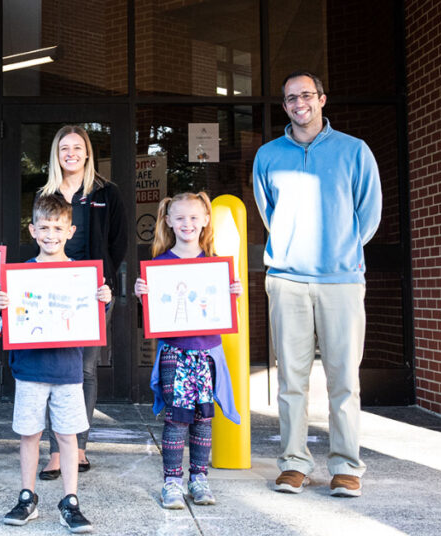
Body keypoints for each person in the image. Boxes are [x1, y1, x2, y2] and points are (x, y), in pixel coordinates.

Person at [252, 71, 382, 498]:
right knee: (290, 379)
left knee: (344, 378)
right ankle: (293, 464)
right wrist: (294, 248)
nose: (298, 103)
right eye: (290, 98)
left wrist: (339, 250)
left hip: (340, 281)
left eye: (306, 95)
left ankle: (346, 466)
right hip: (287, 280)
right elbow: (268, 213)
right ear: (285, 105)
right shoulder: (268, 155)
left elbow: (369, 213)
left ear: (322, 99)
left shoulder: (354, 151)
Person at [0, 195, 111, 534]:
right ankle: (27, 497)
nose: (50, 234)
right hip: (30, 370)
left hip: (68, 371)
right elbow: (4, 322)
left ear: (71, 230)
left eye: (58, 227)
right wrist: (0, 304)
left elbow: (92, 320)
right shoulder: (20, 275)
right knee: (29, 435)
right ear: (32, 230)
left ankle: (70, 501)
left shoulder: (81, 276)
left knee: (68, 437)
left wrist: (102, 301)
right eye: (43, 227)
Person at [133, 192, 242, 509]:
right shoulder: (159, 265)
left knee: (203, 419)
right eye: (180, 218)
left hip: (207, 353)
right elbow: (154, 316)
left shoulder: (215, 265)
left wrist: (232, 292)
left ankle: (199, 479)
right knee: (176, 419)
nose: (187, 224)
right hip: (175, 355)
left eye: (194, 217)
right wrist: (144, 296)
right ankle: (171, 483)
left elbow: (221, 310)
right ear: (168, 220)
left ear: (206, 220)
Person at [37, 125, 126, 479]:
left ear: (88, 152)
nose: (71, 153)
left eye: (77, 147)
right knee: (54, 371)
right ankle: (56, 452)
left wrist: (102, 278)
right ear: (56, 155)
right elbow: (40, 236)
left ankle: (80, 447)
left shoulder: (107, 192)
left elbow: (118, 242)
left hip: (93, 292)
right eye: (64, 148)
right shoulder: (46, 193)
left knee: (85, 370)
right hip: (52, 292)